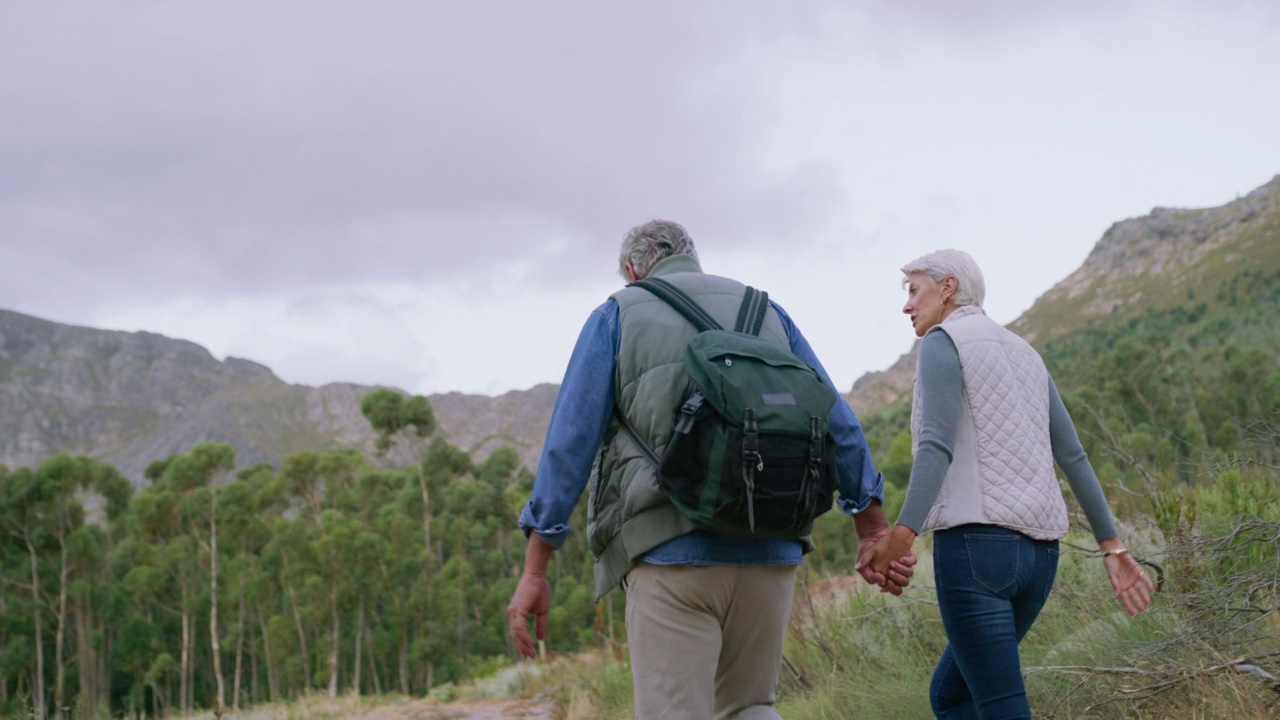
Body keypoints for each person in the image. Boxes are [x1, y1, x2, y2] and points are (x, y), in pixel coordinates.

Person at [507, 219, 915, 719]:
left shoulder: (619, 313)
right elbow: (837, 421)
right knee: (751, 708)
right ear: (693, 258)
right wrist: (872, 529)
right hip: (772, 550)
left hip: (670, 553)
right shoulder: (766, 311)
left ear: (633, 271)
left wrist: (535, 568)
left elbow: (569, 445)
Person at [858, 249, 1156, 719]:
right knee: (953, 695)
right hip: (1040, 558)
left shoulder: (942, 341)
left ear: (948, 287)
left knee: (1000, 707)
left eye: (914, 290)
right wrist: (1113, 547)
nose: (907, 305)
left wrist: (902, 533)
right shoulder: (1026, 352)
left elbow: (936, 445)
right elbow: (1073, 455)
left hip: (978, 553)